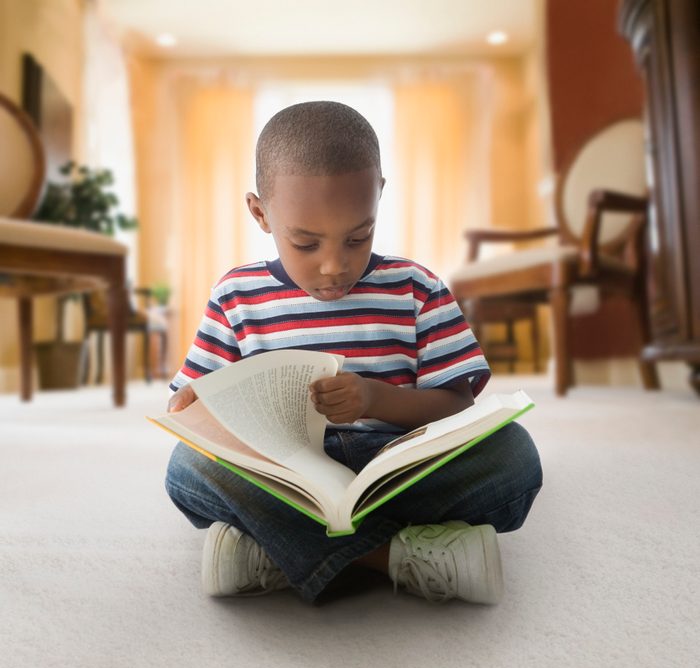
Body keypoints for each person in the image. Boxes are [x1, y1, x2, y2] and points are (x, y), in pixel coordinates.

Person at [164, 101, 542, 605]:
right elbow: (196, 403)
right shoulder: (237, 296)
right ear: (260, 213)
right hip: (290, 478)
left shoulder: (416, 288)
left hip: (398, 466)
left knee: (513, 454)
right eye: (306, 243)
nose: (333, 266)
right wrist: (193, 405)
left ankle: (276, 552)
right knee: (188, 468)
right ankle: (396, 557)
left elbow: (456, 404)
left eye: (358, 236)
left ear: (378, 195)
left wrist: (374, 399)